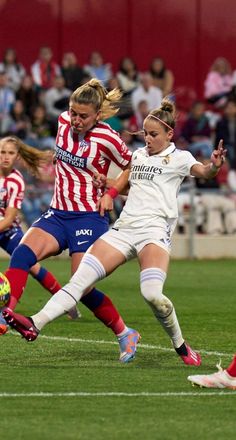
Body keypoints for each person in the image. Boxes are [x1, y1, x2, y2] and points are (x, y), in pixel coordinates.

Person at [3, 99, 226, 365]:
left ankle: (180, 345)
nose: (147, 139)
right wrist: (107, 187)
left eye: (154, 134)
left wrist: (214, 165)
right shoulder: (139, 155)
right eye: (145, 133)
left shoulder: (180, 157)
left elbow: (204, 172)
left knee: (152, 294)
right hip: (123, 229)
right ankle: (34, 324)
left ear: (169, 134)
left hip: (153, 232)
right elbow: (125, 183)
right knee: (79, 281)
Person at [1, 78, 140, 363]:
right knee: (22, 254)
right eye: (73, 112)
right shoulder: (63, 121)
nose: (75, 120)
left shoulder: (108, 137)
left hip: (89, 217)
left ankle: (125, 333)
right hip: (57, 213)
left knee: (82, 287)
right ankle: (5, 317)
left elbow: (132, 166)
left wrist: (111, 192)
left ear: (97, 114)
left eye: (83, 116)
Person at [0, 136, 66, 335]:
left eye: (11, 153)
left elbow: (10, 217)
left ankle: (64, 301)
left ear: (18, 157)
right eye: (2, 152)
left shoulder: (15, 181)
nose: (5, 157)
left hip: (8, 231)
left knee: (31, 266)